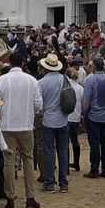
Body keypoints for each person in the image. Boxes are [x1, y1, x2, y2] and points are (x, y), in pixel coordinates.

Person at [0, 58, 42, 208]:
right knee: (28, 160)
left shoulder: (2, 80)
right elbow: (38, 105)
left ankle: (10, 198)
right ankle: (30, 197)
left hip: (7, 125)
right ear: (22, 64)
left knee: (9, 161)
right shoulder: (32, 80)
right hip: (26, 125)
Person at [36, 53, 70, 192]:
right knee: (63, 151)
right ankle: (63, 182)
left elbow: (38, 104)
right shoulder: (64, 79)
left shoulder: (42, 82)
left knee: (49, 151)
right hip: (63, 119)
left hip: (48, 119)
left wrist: (40, 113)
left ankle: (49, 182)